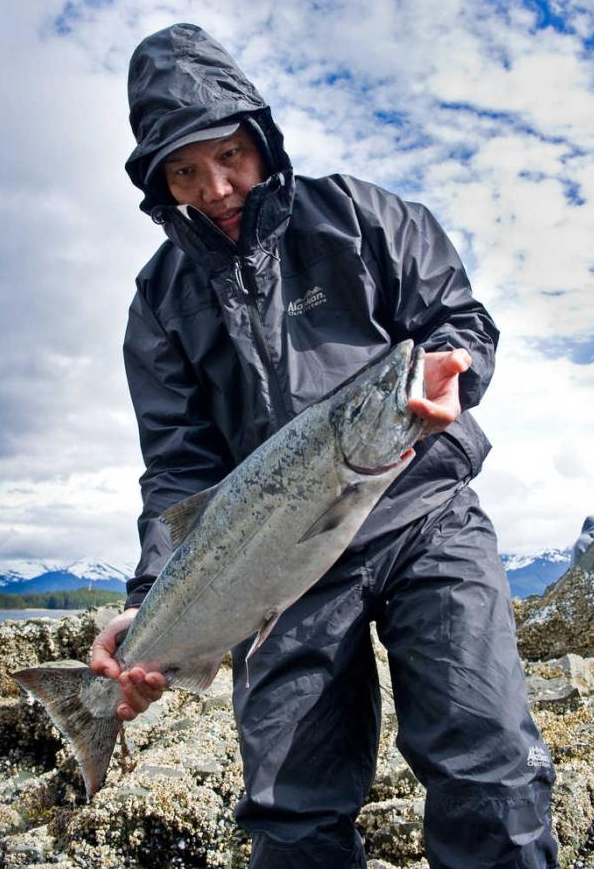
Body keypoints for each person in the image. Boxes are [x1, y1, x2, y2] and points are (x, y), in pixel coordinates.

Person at [91, 23, 560, 869]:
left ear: (260, 138)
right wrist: (151, 603)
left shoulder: (361, 216)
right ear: (159, 184)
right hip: (275, 567)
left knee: (490, 766)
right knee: (291, 813)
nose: (219, 186)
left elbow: (458, 322)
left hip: (425, 514)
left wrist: (454, 369)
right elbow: (179, 474)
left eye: (229, 153)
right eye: (186, 171)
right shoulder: (159, 304)